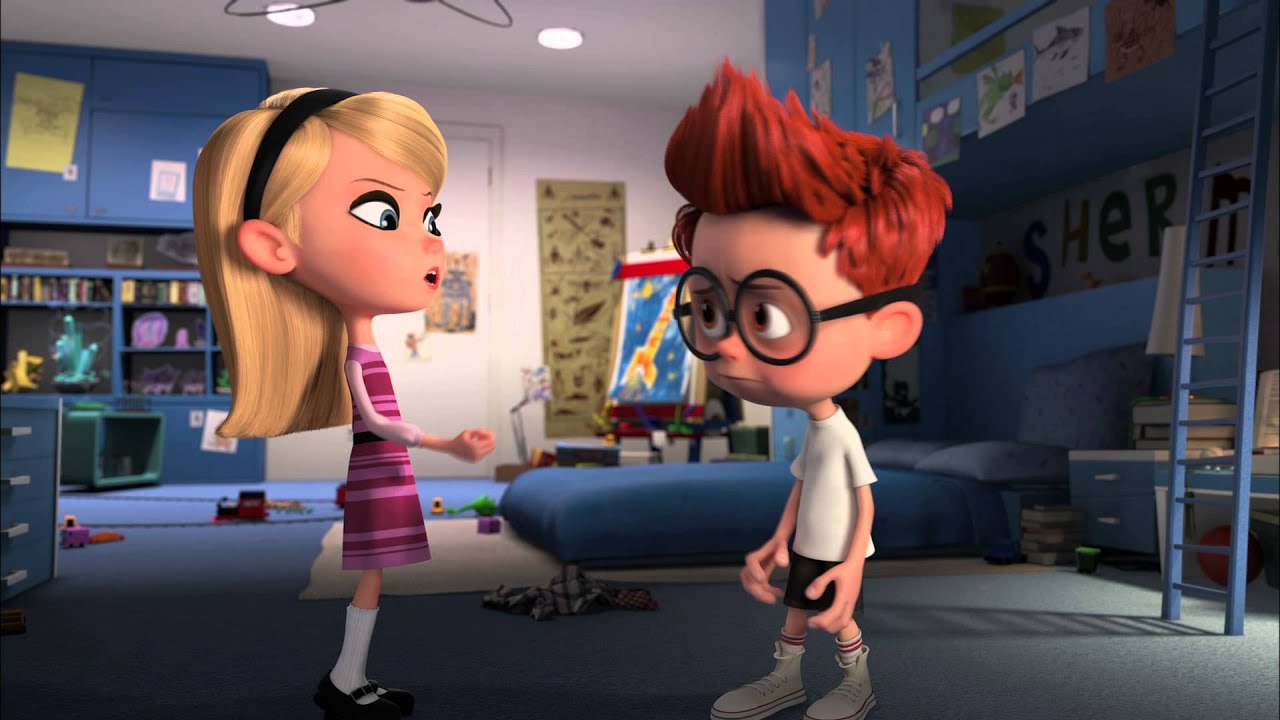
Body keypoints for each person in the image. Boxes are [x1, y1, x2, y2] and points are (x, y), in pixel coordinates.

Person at [194, 88, 496, 720]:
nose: (430, 243)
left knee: (376, 576)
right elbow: (378, 422)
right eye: (383, 214)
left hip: (385, 470)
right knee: (372, 576)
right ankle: (345, 678)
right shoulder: (357, 357)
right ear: (274, 246)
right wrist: (444, 444)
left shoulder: (364, 347)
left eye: (430, 217)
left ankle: (350, 675)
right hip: (378, 468)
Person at [665, 61, 951, 720]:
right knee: (795, 616)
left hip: (834, 550)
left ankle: (856, 682)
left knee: (835, 619)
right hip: (805, 544)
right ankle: (787, 680)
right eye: (708, 310)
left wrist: (853, 565)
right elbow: (804, 484)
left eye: (766, 315)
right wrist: (777, 540)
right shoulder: (817, 432)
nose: (725, 344)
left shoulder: (841, 432)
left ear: (888, 329)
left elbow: (863, 500)